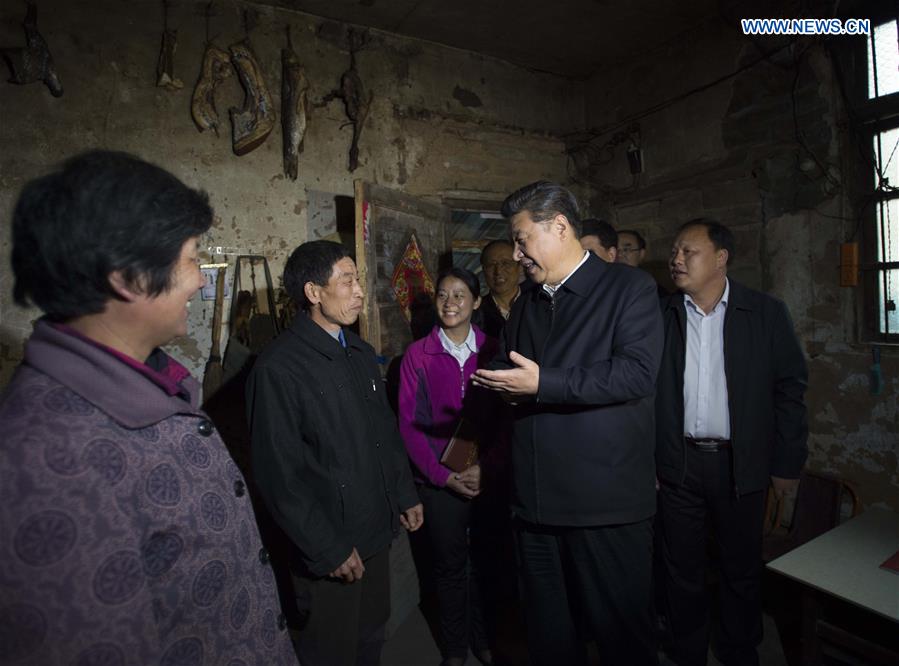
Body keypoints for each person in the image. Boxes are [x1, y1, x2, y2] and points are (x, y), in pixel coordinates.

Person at [0, 150, 297, 664]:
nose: (200, 278)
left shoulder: (154, 385)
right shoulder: (45, 463)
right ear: (128, 275)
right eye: (190, 258)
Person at [473, 181, 663, 666]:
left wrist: (543, 385)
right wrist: (492, 379)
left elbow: (636, 373)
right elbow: (506, 360)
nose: (516, 256)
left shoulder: (629, 289)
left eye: (521, 240)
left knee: (621, 638)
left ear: (559, 227)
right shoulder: (527, 304)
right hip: (535, 507)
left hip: (605, 509)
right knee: (550, 638)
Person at [246, 240, 424, 666]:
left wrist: (404, 493)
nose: (359, 290)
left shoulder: (360, 354)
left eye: (357, 279)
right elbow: (278, 474)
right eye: (347, 280)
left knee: (370, 636)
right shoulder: (279, 368)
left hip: (375, 529)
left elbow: (384, 435)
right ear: (314, 292)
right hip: (332, 546)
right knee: (331, 649)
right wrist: (325, 548)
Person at [656, 219, 808, 666]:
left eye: (689, 252)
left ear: (721, 258)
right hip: (679, 464)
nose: (676, 259)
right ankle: (687, 651)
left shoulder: (764, 313)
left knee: (740, 569)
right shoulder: (662, 315)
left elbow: (790, 392)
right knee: (680, 569)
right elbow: (648, 395)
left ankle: (739, 650)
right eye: (675, 251)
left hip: (740, 465)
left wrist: (786, 466)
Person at [398, 267, 505, 666]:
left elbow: (508, 421)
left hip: (487, 477)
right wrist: (443, 476)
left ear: (476, 302)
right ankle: (455, 650)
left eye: (460, 295)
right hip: (440, 482)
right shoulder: (417, 356)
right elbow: (409, 426)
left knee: (486, 563)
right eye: (443, 295)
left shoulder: (493, 350)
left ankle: (485, 640)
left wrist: (488, 469)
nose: (450, 303)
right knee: (448, 568)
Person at [477, 239, 522, 338]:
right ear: (483, 270)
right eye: (491, 265)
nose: (498, 271)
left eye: (506, 263)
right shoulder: (476, 314)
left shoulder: (536, 304)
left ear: (520, 267)